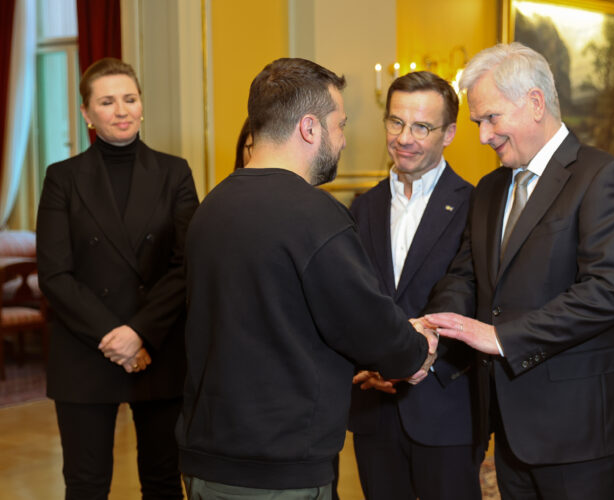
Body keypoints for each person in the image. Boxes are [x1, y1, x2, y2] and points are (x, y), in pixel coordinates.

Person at [176, 57, 438, 500]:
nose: (343, 140)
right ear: (309, 128)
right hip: (278, 470)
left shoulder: (211, 206)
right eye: (340, 125)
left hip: (207, 461)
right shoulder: (317, 216)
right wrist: (417, 347)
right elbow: (367, 324)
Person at [421, 42, 614, 499]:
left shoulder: (601, 176)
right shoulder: (488, 189)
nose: (484, 135)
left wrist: (502, 337)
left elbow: (605, 292)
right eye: (478, 122)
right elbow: (465, 275)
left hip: (583, 429)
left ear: (534, 103)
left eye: (491, 118)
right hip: (509, 425)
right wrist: (436, 326)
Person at [36, 57, 199, 499]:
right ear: (87, 114)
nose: (121, 109)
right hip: (86, 349)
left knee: (164, 483)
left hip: (158, 347)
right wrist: (115, 336)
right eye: (107, 101)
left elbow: (187, 265)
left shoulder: (175, 172)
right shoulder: (61, 179)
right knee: (86, 486)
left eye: (130, 98)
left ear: (142, 106)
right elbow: (54, 273)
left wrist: (140, 332)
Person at [347, 71, 481, 500]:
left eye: (422, 126)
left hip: (445, 403)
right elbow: (350, 299)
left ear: (450, 134)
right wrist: (370, 360)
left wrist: (416, 357)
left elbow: (471, 291)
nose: (405, 137)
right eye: (396, 122)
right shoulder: (361, 207)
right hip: (375, 405)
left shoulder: (476, 204)